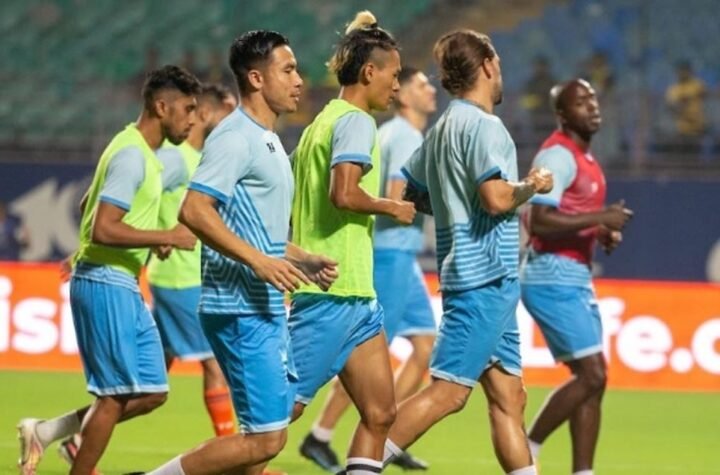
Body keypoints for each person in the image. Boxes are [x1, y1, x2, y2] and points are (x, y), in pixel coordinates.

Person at [145, 30, 338, 475]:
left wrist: (299, 258)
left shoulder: (267, 139)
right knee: (266, 439)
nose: (299, 80)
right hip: (237, 306)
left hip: (261, 303)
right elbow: (194, 209)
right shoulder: (234, 137)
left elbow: (253, 231)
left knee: (266, 436)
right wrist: (259, 261)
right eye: (288, 70)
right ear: (256, 78)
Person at [382, 29, 553, 475]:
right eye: (499, 64)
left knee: (509, 397)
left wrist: (452, 201)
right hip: (484, 277)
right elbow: (496, 199)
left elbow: (412, 193)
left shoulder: (443, 128)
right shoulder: (485, 126)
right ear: (488, 65)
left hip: (479, 275)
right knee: (449, 392)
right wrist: (532, 185)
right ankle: (362, 464)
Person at [17, 65, 202, 475]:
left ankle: (47, 431)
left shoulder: (139, 152)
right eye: (188, 109)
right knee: (114, 396)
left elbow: (88, 205)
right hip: (104, 281)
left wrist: (149, 237)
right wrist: (164, 235)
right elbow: (102, 226)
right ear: (161, 107)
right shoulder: (133, 156)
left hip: (124, 282)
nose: (193, 119)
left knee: (152, 391)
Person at [289, 11, 416, 475]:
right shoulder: (357, 123)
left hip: (358, 299)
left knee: (380, 414)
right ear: (369, 72)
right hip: (331, 294)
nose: (397, 86)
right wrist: (392, 207)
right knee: (273, 420)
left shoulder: (322, 122)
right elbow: (343, 193)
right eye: (394, 75)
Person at [521, 79, 633, 475]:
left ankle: (583, 471)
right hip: (550, 276)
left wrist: (598, 231)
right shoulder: (557, 155)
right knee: (593, 374)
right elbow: (539, 220)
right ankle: (526, 448)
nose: (592, 106)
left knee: (594, 381)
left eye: (593, 99)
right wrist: (601, 216)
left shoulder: (585, 159)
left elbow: (568, 216)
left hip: (574, 277)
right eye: (581, 102)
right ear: (562, 115)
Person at [665, 61, 707, 139]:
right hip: (682, 128)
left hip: (699, 126)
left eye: (685, 71)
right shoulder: (673, 89)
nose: (683, 74)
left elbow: (707, 96)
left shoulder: (697, 85)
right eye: (681, 71)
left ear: (689, 72)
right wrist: (679, 107)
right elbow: (671, 107)